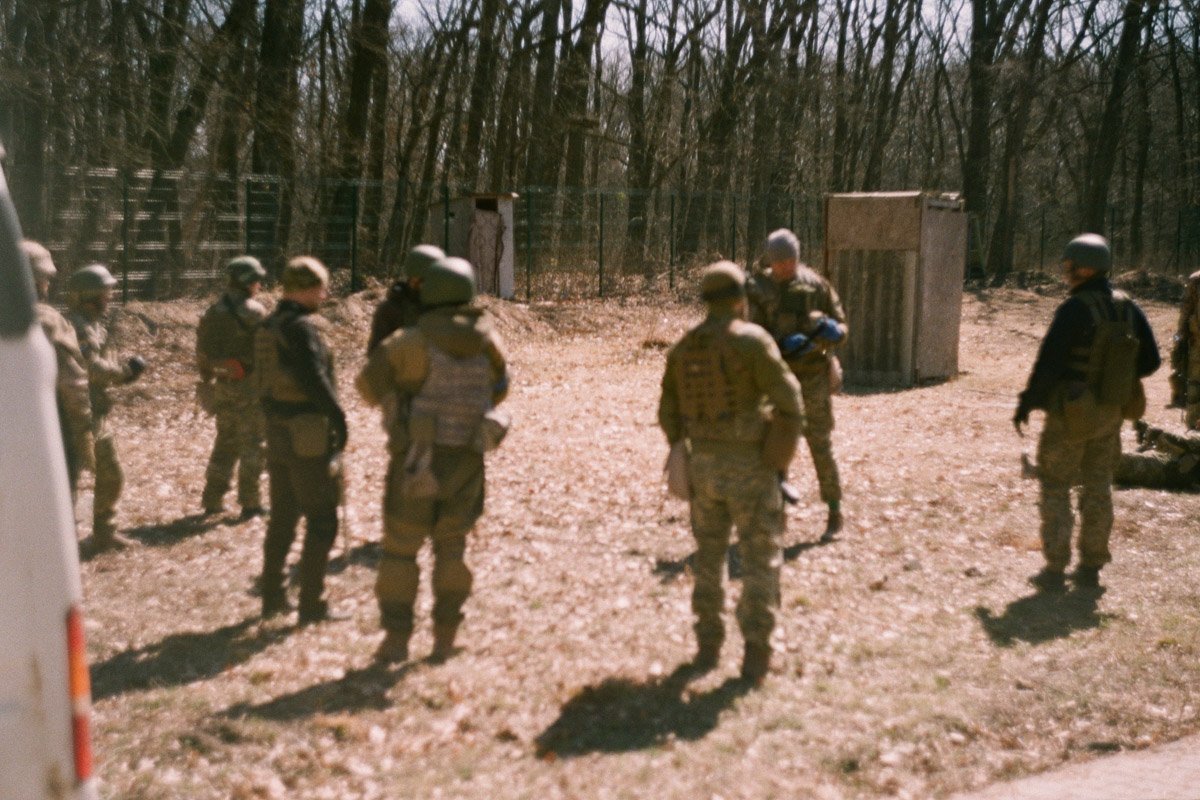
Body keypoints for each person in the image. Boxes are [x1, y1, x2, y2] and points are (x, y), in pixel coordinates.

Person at [357, 256, 509, 663]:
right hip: (467, 459)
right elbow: (500, 389)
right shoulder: (489, 341)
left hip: (416, 460)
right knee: (452, 549)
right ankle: (445, 637)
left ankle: (396, 640)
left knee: (401, 551)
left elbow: (367, 387)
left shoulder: (410, 342)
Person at [658, 261, 803, 685]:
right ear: (741, 299)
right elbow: (791, 402)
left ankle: (708, 645)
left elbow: (667, 414)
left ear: (706, 300)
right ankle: (756, 652)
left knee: (708, 557)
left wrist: (687, 446)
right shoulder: (752, 342)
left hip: (703, 468)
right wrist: (776, 457)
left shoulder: (684, 347)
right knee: (759, 558)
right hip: (751, 467)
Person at [1013, 233, 1160, 591]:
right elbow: (1151, 361)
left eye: (1070, 265)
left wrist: (1028, 402)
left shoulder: (1074, 309)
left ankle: (1055, 567)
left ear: (1086, 268)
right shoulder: (1128, 307)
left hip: (1070, 412)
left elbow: (1049, 364)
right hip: (1110, 410)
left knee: (1056, 484)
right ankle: (1092, 566)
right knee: (1098, 486)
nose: (1066, 271)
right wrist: (1115, 375)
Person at [253, 256, 347, 623]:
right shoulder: (301, 328)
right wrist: (339, 419)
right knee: (322, 519)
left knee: (283, 518)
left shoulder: (268, 324)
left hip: (276, 430)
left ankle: (273, 597)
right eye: (321, 287)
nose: (324, 294)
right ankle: (312, 604)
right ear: (307, 288)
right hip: (307, 434)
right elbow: (314, 379)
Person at [747, 228, 848, 541]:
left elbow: (842, 325)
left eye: (791, 261)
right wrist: (778, 345)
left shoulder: (816, 285)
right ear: (771, 261)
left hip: (813, 376)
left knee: (820, 444)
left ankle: (834, 512)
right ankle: (776, 515)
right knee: (776, 447)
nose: (786, 267)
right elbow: (749, 336)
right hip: (776, 379)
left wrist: (833, 332)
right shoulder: (758, 289)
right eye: (780, 262)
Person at [65, 263, 146, 552]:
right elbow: (92, 368)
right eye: (104, 292)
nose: (109, 297)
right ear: (89, 295)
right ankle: (63, 539)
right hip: (79, 414)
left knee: (110, 474)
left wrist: (122, 373)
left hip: (94, 412)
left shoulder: (92, 323)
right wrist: (124, 372)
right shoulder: (78, 326)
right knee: (71, 479)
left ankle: (104, 533)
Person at [196, 255, 269, 517]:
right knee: (253, 444)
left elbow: (202, 352)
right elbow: (268, 352)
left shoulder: (213, 311)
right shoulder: (255, 312)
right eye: (257, 280)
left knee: (225, 442)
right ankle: (250, 503)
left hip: (222, 384)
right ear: (247, 281)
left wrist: (209, 378)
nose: (259, 284)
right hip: (250, 387)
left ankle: (212, 498)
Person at [23, 240, 93, 496]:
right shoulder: (47, 321)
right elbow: (73, 384)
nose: (48, 284)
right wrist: (84, 436)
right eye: (45, 279)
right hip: (45, 429)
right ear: (36, 281)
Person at [366, 244, 445, 353]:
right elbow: (376, 355)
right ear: (411, 277)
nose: (424, 285)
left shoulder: (447, 308)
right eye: (420, 279)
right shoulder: (391, 310)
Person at [1115, 421, 1200, 491]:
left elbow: (1180, 441)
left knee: (1122, 463)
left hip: (1167, 471)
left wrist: (1162, 433)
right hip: (1172, 472)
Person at [1168, 270, 1200, 429]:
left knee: (1195, 384)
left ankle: (1193, 425)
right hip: (1197, 344)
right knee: (1194, 385)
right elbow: (1186, 310)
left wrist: (1180, 338)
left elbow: (1186, 312)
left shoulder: (1196, 279)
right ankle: (1193, 426)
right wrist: (1179, 340)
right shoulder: (1197, 280)